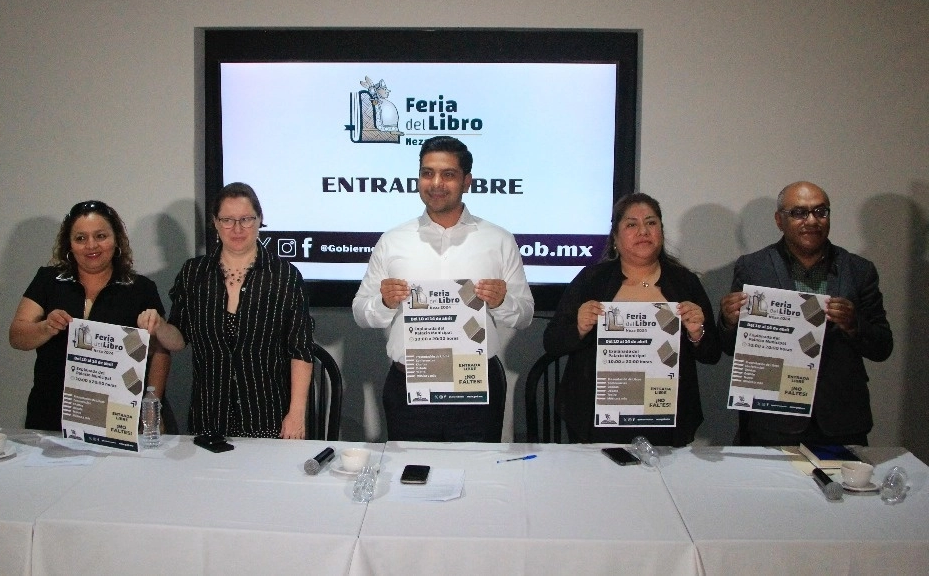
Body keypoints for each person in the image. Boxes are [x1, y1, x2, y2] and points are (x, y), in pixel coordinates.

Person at [353, 136, 534, 442]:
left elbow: (525, 315)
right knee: (409, 479)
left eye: (448, 174)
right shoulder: (393, 240)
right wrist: (384, 303)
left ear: (467, 182)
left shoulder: (498, 240)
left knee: (478, 479)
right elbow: (360, 313)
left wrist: (502, 301)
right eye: (427, 173)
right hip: (410, 385)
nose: (436, 183)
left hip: (475, 385)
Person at [717, 181, 893, 446]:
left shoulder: (859, 270)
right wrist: (729, 322)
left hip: (841, 420)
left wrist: (854, 324)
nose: (812, 220)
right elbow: (730, 347)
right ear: (779, 220)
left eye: (820, 212)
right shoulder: (753, 267)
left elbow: (883, 346)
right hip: (772, 419)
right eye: (799, 213)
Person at [542, 193, 720, 447]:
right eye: (631, 225)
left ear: (661, 230)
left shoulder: (684, 282)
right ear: (615, 237)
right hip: (598, 418)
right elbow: (552, 342)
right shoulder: (592, 280)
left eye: (651, 223)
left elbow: (711, 354)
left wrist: (697, 333)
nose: (643, 231)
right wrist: (578, 327)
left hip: (665, 416)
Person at [149, 182, 314, 439]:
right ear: (215, 223)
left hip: (269, 416)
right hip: (209, 416)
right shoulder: (194, 274)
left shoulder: (285, 276)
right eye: (227, 220)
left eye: (246, 219)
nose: (237, 229)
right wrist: (159, 327)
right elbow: (179, 339)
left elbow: (300, 350)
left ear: (260, 220)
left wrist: (296, 413)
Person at [9, 201, 170, 431]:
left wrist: (152, 407)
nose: (91, 245)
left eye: (101, 236)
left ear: (116, 241)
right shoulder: (48, 280)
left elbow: (159, 352)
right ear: (69, 245)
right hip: (52, 412)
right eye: (80, 238)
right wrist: (45, 327)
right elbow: (17, 336)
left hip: (118, 415)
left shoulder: (140, 288)